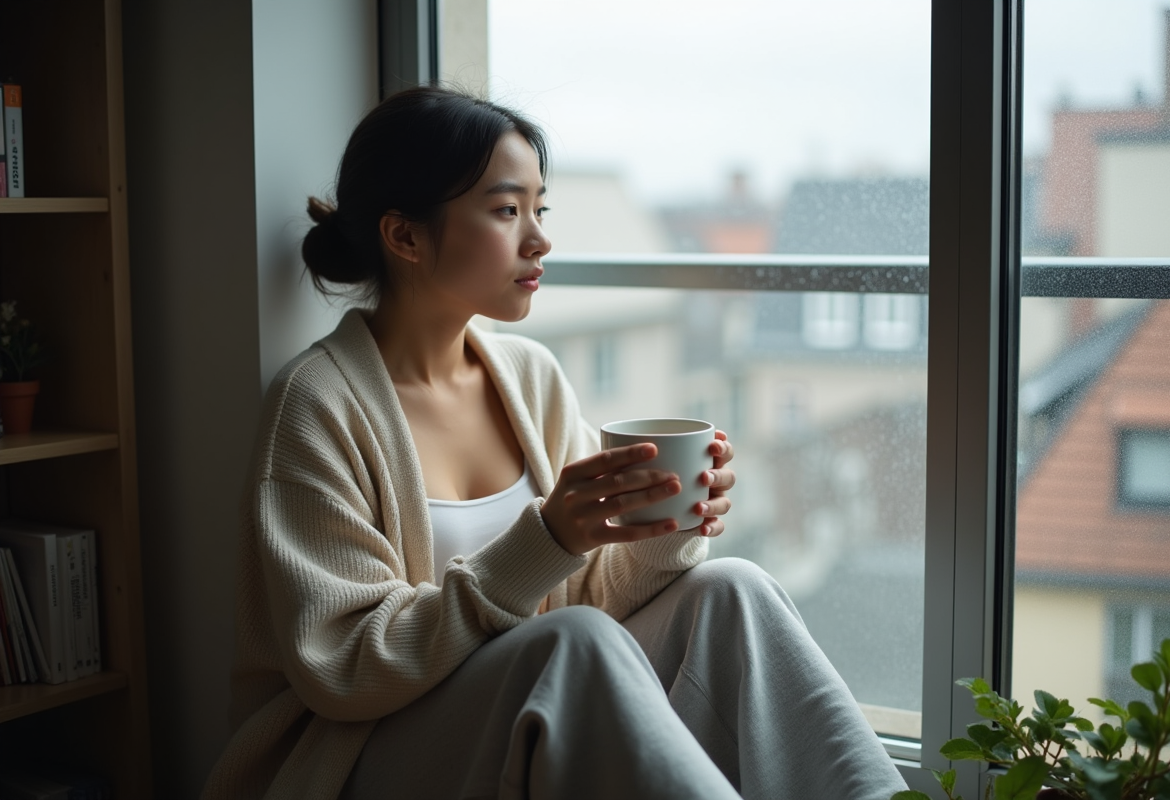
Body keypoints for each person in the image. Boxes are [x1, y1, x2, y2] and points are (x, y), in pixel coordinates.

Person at [201, 86, 908, 800]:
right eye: (508, 211)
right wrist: (547, 536)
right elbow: (348, 668)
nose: (539, 239)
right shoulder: (316, 405)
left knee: (732, 588)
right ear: (405, 235)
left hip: (506, 714)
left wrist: (665, 524)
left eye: (540, 210)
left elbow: (592, 597)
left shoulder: (530, 377)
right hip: (357, 754)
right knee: (572, 646)